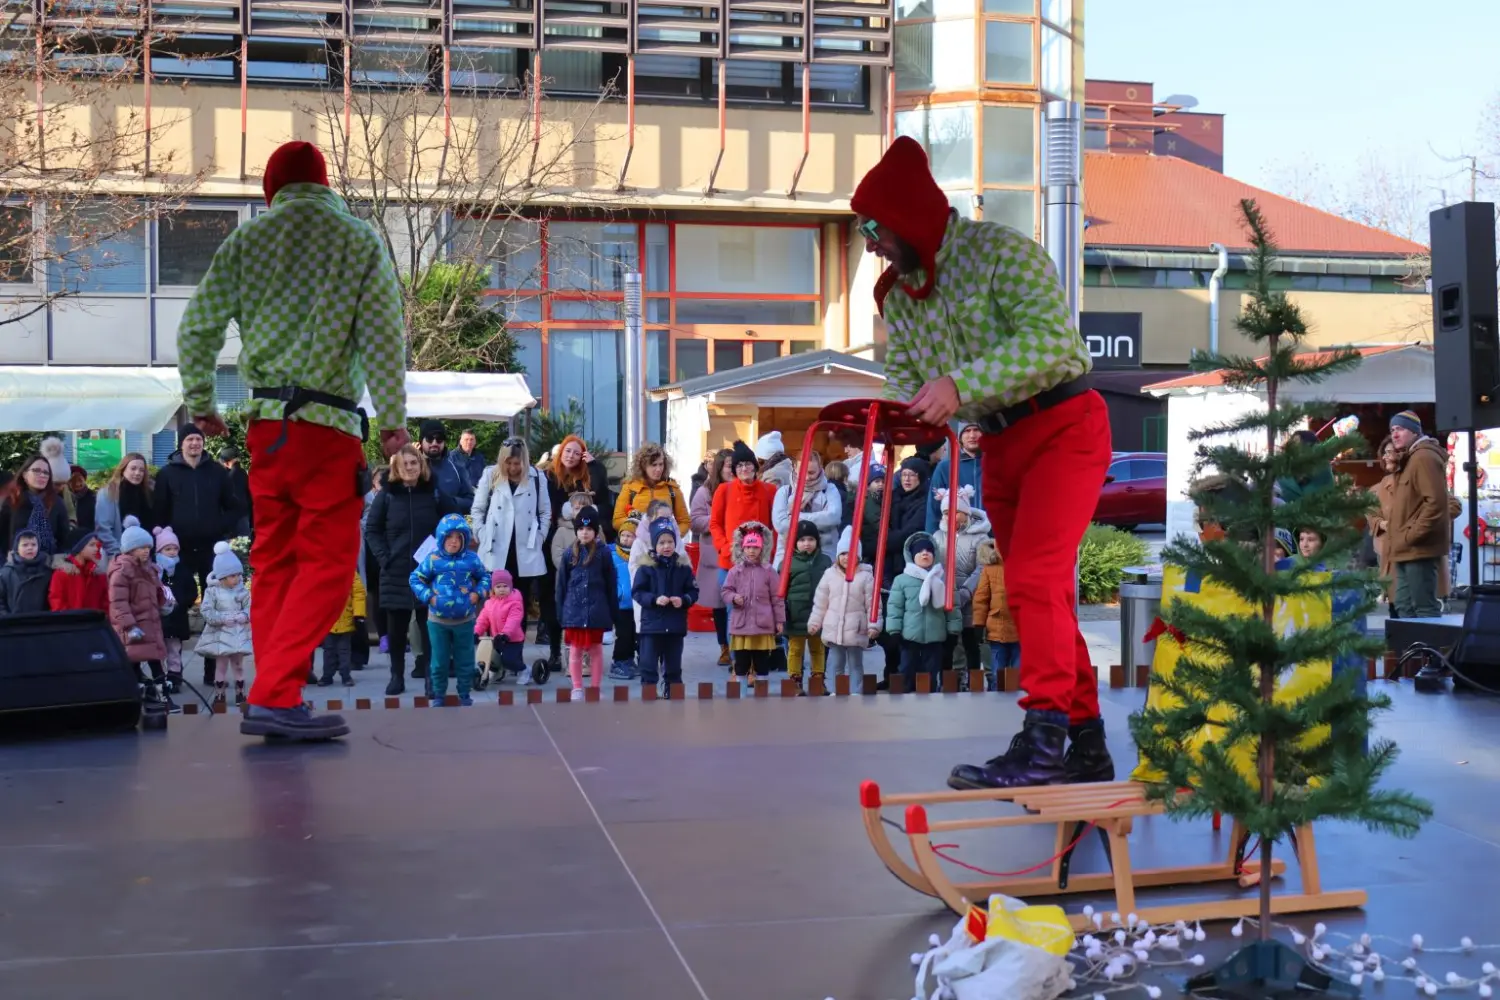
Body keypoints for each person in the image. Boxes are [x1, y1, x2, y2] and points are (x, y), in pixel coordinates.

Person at [853, 135, 1113, 787]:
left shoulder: (1004, 254)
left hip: (1064, 426)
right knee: (1039, 592)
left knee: (1031, 581)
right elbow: (907, 377)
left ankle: (1042, 740)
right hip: (999, 444)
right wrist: (882, 417)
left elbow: (1053, 344)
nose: (870, 245)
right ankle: (1083, 743)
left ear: (910, 216)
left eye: (876, 229)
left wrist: (960, 386)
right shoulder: (898, 297)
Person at [176, 138, 408, 741]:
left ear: (272, 189)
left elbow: (196, 325)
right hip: (327, 430)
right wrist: (392, 421)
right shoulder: (358, 240)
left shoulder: (247, 240)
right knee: (330, 567)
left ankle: (274, 690)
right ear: (325, 182)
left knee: (276, 559)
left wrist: (201, 405)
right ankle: (276, 692)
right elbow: (384, 336)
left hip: (266, 432)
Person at [367, 445, 458, 696]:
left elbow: (452, 523)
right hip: (394, 571)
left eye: (414, 463)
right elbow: (372, 530)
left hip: (428, 572)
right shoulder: (386, 496)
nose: (410, 468)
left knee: (429, 628)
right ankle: (397, 676)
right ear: (397, 467)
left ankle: (431, 677)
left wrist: (442, 554)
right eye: (405, 464)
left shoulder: (433, 493)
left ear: (421, 466)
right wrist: (385, 558)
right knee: (396, 631)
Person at [471, 437, 551, 643]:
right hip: (496, 548)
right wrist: (481, 534)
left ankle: (515, 650)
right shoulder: (490, 474)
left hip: (524, 548)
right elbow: (478, 509)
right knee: (492, 605)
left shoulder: (536, 477)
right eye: (509, 463)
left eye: (517, 463)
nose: (513, 468)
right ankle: (490, 653)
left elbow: (545, 511)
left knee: (519, 603)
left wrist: (540, 536)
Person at [544, 434, 613, 667]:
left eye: (577, 452)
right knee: (556, 598)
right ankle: (556, 651)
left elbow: (602, 495)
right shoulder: (550, 475)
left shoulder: (588, 475)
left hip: (585, 539)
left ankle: (583, 655)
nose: (571, 456)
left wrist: (593, 465)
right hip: (558, 538)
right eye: (568, 451)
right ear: (560, 452)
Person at [409, 513, 489, 707]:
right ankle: (438, 695)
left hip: (465, 619)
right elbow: (415, 578)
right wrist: (429, 597)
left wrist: (478, 593)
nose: (454, 542)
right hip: (438, 621)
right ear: (442, 538)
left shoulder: (472, 559)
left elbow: (486, 577)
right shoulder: (433, 559)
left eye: (458, 538)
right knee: (439, 660)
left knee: (465, 660)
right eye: (449, 537)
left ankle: (464, 694)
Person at [1382, 410, 1449, 619]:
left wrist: (1412, 535)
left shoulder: (1423, 457)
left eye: (1400, 429)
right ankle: (1413, 652)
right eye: (1392, 430)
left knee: (1424, 611)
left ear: (1414, 431)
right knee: (1404, 608)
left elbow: (1436, 503)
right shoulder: (1409, 459)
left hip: (1418, 549)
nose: (1394, 434)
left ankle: (1429, 652)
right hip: (1405, 549)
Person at [632, 517, 698, 698]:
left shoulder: (683, 568)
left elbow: (693, 591)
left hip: (675, 625)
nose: (666, 546)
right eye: (662, 542)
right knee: (647, 663)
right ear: (654, 544)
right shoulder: (646, 568)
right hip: (652, 626)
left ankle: (673, 691)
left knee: (674, 665)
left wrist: (683, 600)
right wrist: (654, 600)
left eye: (670, 542)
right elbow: (637, 592)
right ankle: (649, 692)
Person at [555, 505, 616, 701]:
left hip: (596, 610)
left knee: (596, 650)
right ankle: (577, 687)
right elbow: (561, 585)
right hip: (574, 611)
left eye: (589, 529)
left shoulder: (604, 553)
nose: (585, 532)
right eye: (581, 529)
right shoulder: (568, 554)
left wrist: (611, 612)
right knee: (575, 650)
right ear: (576, 531)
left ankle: (595, 688)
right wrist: (561, 612)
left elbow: (610, 583)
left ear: (595, 531)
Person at [887, 532, 961, 692]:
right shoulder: (902, 580)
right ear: (912, 556)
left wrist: (953, 631)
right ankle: (904, 701)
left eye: (928, 550)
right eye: (920, 551)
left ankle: (930, 703)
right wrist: (894, 631)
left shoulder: (943, 580)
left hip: (935, 637)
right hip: (909, 636)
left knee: (930, 673)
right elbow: (895, 608)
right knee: (906, 669)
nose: (925, 553)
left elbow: (953, 607)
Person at [808, 525, 880, 689]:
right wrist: (815, 622)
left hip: (856, 629)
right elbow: (820, 602)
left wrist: (874, 624)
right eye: (843, 554)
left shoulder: (866, 577)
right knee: (836, 664)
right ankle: (835, 690)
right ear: (838, 555)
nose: (847, 557)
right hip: (834, 629)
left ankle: (856, 691)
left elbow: (873, 605)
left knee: (855, 664)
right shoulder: (829, 575)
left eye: (852, 553)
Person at [932, 485, 990, 674]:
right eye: (947, 513)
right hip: (946, 599)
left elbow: (982, 567)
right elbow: (934, 566)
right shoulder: (938, 537)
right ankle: (950, 681)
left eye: (956, 512)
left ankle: (973, 679)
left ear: (965, 513)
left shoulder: (980, 537)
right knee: (948, 645)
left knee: (971, 642)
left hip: (970, 599)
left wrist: (966, 591)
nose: (951, 517)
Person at [108, 516, 170, 685]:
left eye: (148, 547)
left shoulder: (149, 568)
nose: (146, 551)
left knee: (155, 660)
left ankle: (161, 695)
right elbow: (118, 603)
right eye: (141, 547)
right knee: (133, 660)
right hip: (134, 627)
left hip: (150, 623)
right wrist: (129, 626)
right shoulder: (122, 571)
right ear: (130, 549)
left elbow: (157, 590)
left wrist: (163, 602)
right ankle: (140, 695)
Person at [720, 521, 784, 687]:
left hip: (762, 625)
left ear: (761, 548)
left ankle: (761, 695)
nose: (751, 551)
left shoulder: (769, 571)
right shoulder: (735, 571)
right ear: (742, 548)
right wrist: (734, 597)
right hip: (741, 625)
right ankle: (741, 694)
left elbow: (777, 598)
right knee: (741, 663)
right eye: (748, 547)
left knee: (762, 662)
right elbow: (725, 591)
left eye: (755, 547)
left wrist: (779, 621)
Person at [690, 448, 734, 666]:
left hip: (740, 552)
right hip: (715, 554)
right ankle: (724, 646)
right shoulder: (705, 491)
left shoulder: (741, 487)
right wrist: (718, 520)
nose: (732, 469)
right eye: (727, 465)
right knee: (719, 603)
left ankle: (740, 647)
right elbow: (695, 520)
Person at [711, 440, 779, 581]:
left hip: (760, 562)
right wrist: (725, 547)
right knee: (734, 602)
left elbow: (777, 526)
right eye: (739, 465)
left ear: (754, 467)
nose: (744, 469)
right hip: (731, 562)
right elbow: (715, 523)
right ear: (735, 469)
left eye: (748, 464)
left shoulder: (769, 490)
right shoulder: (724, 490)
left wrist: (771, 551)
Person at [197, 542, 253, 706]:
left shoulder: (243, 591)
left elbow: (250, 607)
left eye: (238, 575)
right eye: (232, 576)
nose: (236, 579)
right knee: (220, 666)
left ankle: (240, 694)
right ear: (222, 576)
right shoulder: (212, 591)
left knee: (238, 665)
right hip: (221, 634)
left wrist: (245, 615)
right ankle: (219, 695)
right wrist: (220, 619)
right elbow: (206, 610)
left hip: (238, 633)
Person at [771, 450, 843, 568]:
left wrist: (794, 516)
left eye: (811, 472)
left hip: (824, 555)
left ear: (820, 468)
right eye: (803, 472)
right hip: (787, 557)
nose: (807, 478)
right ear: (794, 467)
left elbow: (833, 517)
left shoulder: (830, 490)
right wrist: (821, 519)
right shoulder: (784, 492)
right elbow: (781, 525)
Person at [784, 520, 832, 693]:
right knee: (795, 649)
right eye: (802, 540)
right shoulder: (788, 563)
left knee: (818, 648)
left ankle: (818, 679)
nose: (806, 543)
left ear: (817, 541)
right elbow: (781, 590)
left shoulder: (825, 561)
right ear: (795, 542)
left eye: (811, 539)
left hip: (818, 614)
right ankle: (794, 681)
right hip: (795, 614)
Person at [0, 454, 72, 559]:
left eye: (46, 472)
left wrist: (58, 560)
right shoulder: (12, 500)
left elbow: (65, 539)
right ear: (24, 475)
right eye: (37, 470)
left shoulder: (57, 502)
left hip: (49, 566)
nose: (42, 475)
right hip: (15, 566)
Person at [153, 526, 196, 693]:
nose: (171, 552)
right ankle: (162, 677)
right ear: (160, 550)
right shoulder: (156, 570)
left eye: (174, 548)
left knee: (174, 649)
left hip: (177, 616)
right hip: (160, 617)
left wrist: (183, 602)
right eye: (167, 548)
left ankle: (175, 678)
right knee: (160, 650)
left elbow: (191, 590)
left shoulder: (182, 569)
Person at [613, 442, 689, 536]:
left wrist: (672, 536)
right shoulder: (630, 487)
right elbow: (617, 520)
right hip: (637, 545)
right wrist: (639, 527)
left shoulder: (672, 489)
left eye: (661, 464)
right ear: (643, 466)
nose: (658, 469)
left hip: (664, 547)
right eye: (654, 465)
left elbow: (684, 522)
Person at [972, 538, 1019, 686]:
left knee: (1020, 674)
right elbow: (981, 598)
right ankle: (995, 701)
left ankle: (1019, 703)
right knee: (997, 673)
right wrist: (979, 624)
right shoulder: (990, 568)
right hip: (998, 629)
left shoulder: (1026, 565)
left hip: (1022, 630)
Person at [94, 453, 154, 564]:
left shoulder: (148, 493)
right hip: (120, 558)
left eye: (141, 470)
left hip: (146, 558)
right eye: (133, 468)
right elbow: (103, 529)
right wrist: (119, 555)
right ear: (123, 469)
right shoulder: (108, 493)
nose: (137, 473)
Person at [926, 423, 983, 534]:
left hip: (993, 539)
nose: (972, 435)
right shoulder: (946, 467)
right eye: (967, 431)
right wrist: (932, 542)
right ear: (960, 437)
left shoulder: (996, 464)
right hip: (956, 538)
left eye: (976, 430)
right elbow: (934, 508)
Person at [476, 568, 527, 685]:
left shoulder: (515, 602)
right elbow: (482, 620)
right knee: (491, 658)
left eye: (505, 586)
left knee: (509, 660)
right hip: (497, 638)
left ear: (510, 587)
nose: (502, 589)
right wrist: (476, 632)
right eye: (498, 587)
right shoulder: (489, 603)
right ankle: (497, 671)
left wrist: (505, 634)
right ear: (493, 589)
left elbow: (513, 620)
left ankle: (524, 670)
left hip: (512, 639)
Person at [318, 572, 366, 688]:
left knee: (343, 650)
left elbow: (358, 592)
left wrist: (358, 614)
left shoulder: (350, 572)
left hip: (345, 618)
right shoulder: (322, 572)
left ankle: (345, 675)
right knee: (329, 650)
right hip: (328, 620)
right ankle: (327, 675)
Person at [609, 513, 642, 681]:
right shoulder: (612, 554)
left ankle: (631, 660)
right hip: (621, 603)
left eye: (630, 536)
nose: (626, 539)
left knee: (637, 634)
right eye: (623, 535)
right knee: (623, 635)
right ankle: (619, 661)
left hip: (638, 603)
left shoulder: (641, 556)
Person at [418, 421, 477, 512]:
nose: (434, 443)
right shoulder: (410, 467)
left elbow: (471, 502)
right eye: (429, 438)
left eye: (439, 439)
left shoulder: (457, 467)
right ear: (421, 441)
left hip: (449, 523)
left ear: (444, 442)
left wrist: (450, 502)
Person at [48, 532, 110, 615]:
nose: (96, 549)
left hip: (95, 625)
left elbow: (105, 604)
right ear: (79, 548)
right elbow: (57, 603)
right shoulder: (61, 573)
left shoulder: (99, 574)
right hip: (72, 625)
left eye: (97, 545)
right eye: (91, 545)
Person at [0, 530, 55, 615]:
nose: (30, 548)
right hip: (15, 624)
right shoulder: (6, 573)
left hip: (42, 623)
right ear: (17, 548)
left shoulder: (47, 570)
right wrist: (8, 620)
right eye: (25, 545)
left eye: (33, 544)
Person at [39, 437, 79, 531]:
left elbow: (71, 512)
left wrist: (71, 524)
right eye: (57, 484)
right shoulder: (34, 497)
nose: (61, 488)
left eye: (64, 484)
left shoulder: (65, 492)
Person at [218, 446, 254, 538]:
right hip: (245, 518)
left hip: (232, 521)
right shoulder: (243, 474)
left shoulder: (227, 477)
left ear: (226, 462)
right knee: (244, 547)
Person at [67, 465, 97, 537]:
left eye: (80, 480)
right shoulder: (64, 498)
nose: (77, 484)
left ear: (85, 480)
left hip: (89, 537)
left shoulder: (94, 497)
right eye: (73, 481)